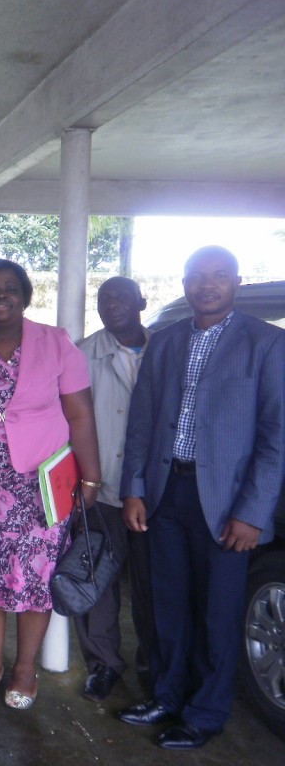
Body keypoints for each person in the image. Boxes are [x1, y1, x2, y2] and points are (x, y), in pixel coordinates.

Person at [117, 246, 285, 750]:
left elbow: (277, 436)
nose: (207, 285)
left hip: (228, 503)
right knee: (166, 606)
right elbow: (142, 424)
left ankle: (206, 713)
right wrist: (134, 489)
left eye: (218, 277)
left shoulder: (266, 344)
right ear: (185, 282)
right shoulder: (165, 341)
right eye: (197, 276)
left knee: (217, 613)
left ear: (236, 282)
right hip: (167, 494)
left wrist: (252, 513)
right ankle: (166, 696)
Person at [0, 259, 100, 710]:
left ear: (26, 295)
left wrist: (90, 476)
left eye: (11, 288)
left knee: (36, 577)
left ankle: (25, 667)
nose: (1, 297)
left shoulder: (56, 344)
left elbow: (80, 414)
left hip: (41, 485)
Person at [74, 277, 154, 702]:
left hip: (155, 495)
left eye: (122, 295)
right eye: (104, 298)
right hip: (99, 489)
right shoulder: (82, 354)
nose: (113, 304)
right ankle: (102, 664)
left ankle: (153, 667)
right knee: (95, 580)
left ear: (142, 301)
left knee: (153, 587)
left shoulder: (166, 348)